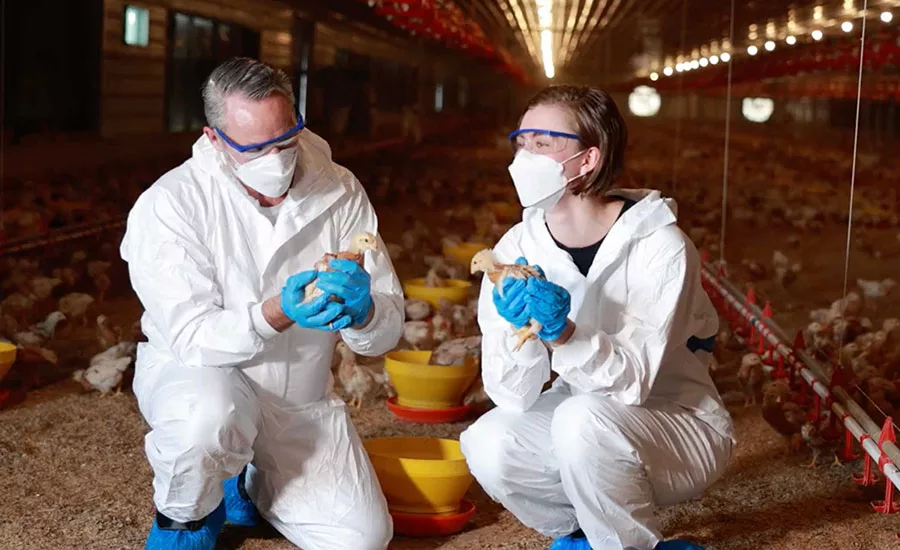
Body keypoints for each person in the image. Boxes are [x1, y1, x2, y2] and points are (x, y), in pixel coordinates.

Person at [120, 58, 403, 550]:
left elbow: (388, 328)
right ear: (214, 139)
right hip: (204, 375)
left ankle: (254, 480)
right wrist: (274, 313)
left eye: (286, 139)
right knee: (206, 420)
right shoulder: (172, 203)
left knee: (361, 539)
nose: (277, 157)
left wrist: (366, 312)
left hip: (297, 395)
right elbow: (191, 334)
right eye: (255, 148)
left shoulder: (339, 188)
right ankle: (185, 518)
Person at [459, 86, 734, 550]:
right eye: (521, 142)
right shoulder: (516, 249)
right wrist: (515, 333)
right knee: (488, 442)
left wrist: (563, 333)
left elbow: (632, 382)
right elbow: (512, 394)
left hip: (676, 425)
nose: (524, 157)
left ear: (587, 160)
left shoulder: (660, 246)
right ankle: (584, 532)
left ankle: (627, 545)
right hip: (581, 420)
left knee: (582, 420)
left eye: (542, 144)